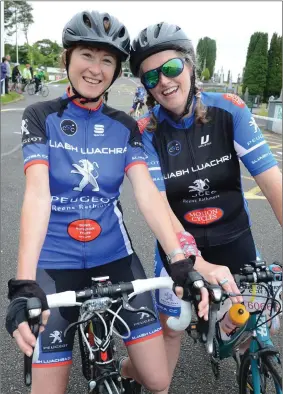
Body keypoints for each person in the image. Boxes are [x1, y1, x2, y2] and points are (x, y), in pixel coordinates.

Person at [5, 11, 231, 394]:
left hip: (116, 257)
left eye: (107, 60)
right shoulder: (40, 116)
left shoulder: (124, 126)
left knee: (158, 380)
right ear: (67, 59)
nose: (96, 69)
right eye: (87, 56)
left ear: (116, 70)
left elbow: (147, 194)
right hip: (55, 265)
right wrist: (25, 283)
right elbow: (38, 195)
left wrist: (179, 258)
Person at [129, 22, 282, 393]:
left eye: (170, 68)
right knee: (174, 327)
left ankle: (233, 335)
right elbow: (159, 205)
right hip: (181, 247)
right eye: (151, 77)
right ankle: (127, 371)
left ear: (190, 65)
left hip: (235, 238)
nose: (163, 82)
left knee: (266, 323)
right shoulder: (146, 130)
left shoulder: (229, 110)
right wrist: (193, 262)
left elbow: (272, 182)